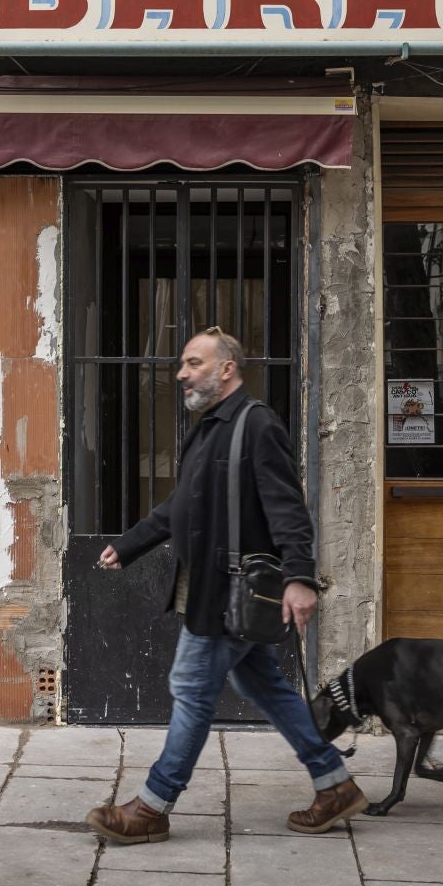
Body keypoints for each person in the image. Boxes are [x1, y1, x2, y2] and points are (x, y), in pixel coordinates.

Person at [83, 329, 367, 844]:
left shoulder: (255, 426)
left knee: (191, 689)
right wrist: (131, 544)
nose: (182, 373)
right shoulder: (210, 428)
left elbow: (288, 508)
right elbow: (180, 506)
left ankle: (152, 806)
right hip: (209, 588)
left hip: (231, 592)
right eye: (183, 364)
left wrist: (300, 577)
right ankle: (335, 786)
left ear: (227, 368)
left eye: (193, 363)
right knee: (263, 686)